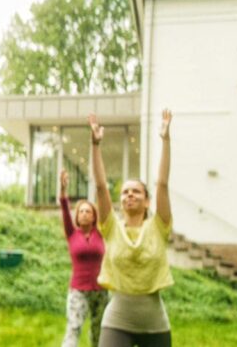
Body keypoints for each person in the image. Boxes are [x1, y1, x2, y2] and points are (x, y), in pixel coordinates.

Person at [92, 110, 174, 347]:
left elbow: (163, 184)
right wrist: (95, 145)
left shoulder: (159, 227)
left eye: (136, 191)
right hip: (117, 320)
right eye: (125, 192)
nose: (129, 195)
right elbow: (100, 187)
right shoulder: (111, 227)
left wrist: (165, 141)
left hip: (155, 323)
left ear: (147, 201)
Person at [57, 168, 107, 347]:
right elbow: (64, 208)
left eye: (89, 211)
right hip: (78, 290)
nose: (85, 214)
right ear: (77, 216)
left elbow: (103, 206)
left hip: (101, 290)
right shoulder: (72, 233)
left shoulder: (100, 233)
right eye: (81, 211)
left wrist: (99, 188)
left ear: (94, 217)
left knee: (98, 330)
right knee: (74, 328)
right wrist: (63, 189)